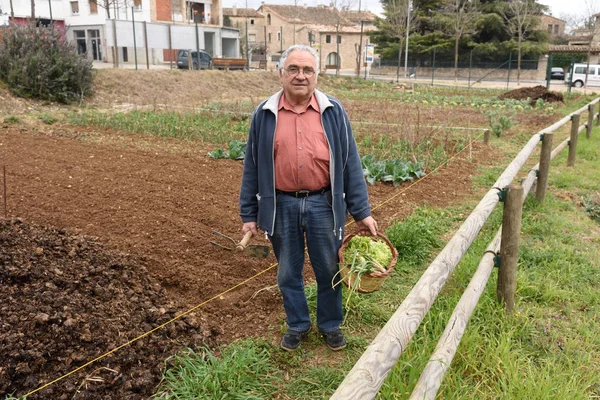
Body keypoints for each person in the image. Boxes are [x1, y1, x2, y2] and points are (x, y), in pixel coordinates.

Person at [239, 45, 377, 352]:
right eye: (293, 69)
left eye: (307, 70)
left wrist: (361, 210)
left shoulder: (333, 111)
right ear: (281, 74)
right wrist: (249, 214)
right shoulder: (264, 114)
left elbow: (350, 162)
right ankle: (298, 324)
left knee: (328, 268)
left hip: (323, 204)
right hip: (281, 204)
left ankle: (330, 325)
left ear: (317, 75)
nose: (300, 76)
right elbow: (252, 165)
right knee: (288, 270)